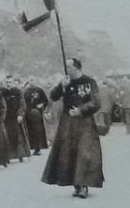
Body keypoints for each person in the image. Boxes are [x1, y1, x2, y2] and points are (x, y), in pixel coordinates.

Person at [41, 58, 104, 199]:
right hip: (67, 123)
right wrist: (61, 87)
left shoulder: (90, 82)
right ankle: (76, 185)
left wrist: (81, 110)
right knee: (69, 153)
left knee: (84, 153)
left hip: (85, 122)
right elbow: (53, 96)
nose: (67, 68)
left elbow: (96, 102)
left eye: (69, 66)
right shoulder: (65, 81)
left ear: (77, 68)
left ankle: (83, 186)